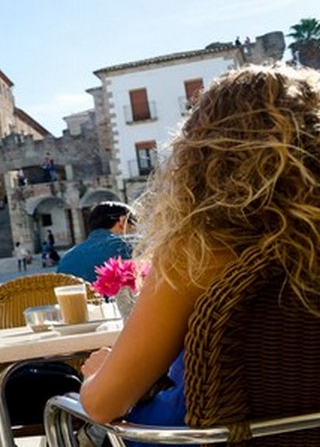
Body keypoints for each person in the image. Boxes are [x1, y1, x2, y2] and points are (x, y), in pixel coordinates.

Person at [79, 65, 320, 446]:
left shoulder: (200, 253)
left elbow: (103, 404)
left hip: (198, 437)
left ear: (204, 156)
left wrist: (97, 374)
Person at [56, 201, 136, 283]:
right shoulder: (127, 247)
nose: (134, 230)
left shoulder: (66, 258)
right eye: (133, 225)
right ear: (122, 221)